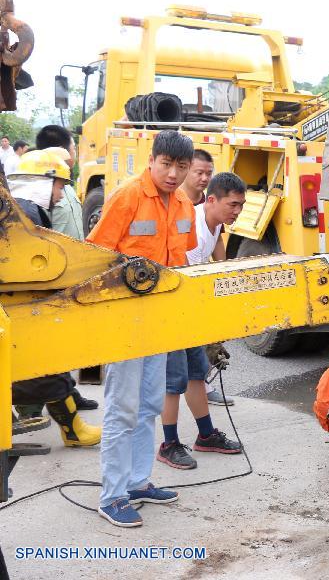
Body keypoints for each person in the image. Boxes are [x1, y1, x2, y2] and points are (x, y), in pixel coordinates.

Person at [86, 130, 197, 528]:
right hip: (123, 319)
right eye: (166, 164)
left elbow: (182, 261)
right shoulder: (128, 195)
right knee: (122, 409)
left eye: (181, 167)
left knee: (149, 404)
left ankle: (137, 482)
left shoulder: (184, 201)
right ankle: (112, 495)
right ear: (151, 161)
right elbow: (95, 255)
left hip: (159, 320)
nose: (172, 173)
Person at [7, 149, 102, 447]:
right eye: (60, 186)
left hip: (20, 306)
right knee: (46, 368)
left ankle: (71, 430)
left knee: (49, 367)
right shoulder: (27, 214)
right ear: (43, 183)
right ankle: (73, 431)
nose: (62, 195)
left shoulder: (22, 211)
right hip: (25, 307)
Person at [157, 172, 247, 470]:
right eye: (232, 205)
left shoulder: (216, 222)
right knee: (174, 380)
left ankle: (206, 435)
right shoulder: (192, 226)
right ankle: (168, 444)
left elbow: (219, 267)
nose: (237, 211)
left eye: (240, 206)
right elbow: (183, 279)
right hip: (171, 310)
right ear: (211, 200)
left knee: (197, 373)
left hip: (189, 311)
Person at [36, 126, 97, 412]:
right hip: (55, 275)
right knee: (54, 343)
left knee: (71, 341)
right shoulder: (40, 190)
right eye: (73, 147)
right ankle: (54, 402)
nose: (74, 152)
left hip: (75, 271)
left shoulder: (66, 187)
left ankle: (72, 393)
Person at [178, 149, 232, 406]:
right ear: (186, 170)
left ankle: (201, 385)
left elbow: (218, 234)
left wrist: (225, 269)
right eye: (198, 172)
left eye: (208, 173)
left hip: (203, 279)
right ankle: (190, 387)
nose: (203, 177)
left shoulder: (210, 202)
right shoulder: (178, 203)